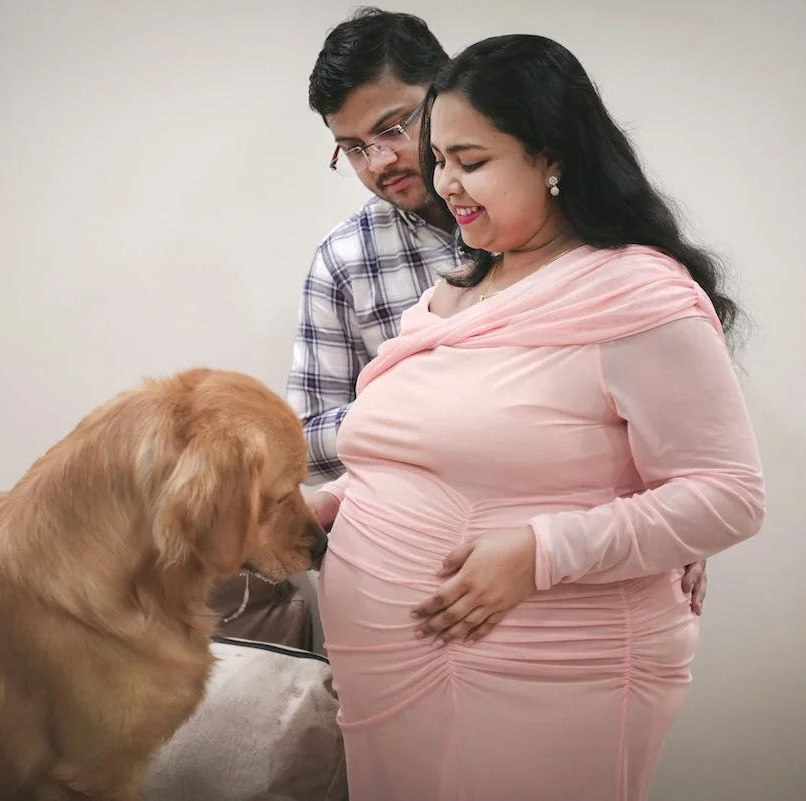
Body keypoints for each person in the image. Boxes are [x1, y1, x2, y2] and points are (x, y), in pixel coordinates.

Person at [302, 32, 767, 801]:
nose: (446, 182)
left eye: (471, 160)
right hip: (387, 671)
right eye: (442, 159)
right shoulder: (453, 290)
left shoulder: (635, 294)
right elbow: (425, 450)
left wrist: (541, 550)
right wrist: (343, 502)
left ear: (552, 157)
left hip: (542, 669)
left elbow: (728, 494)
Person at [288, 7, 710, 615]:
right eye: (352, 148)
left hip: (576, 591)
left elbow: (687, 441)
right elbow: (307, 439)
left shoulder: (591, 250)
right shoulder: (345, 260)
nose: (378, 162)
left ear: (446, 94)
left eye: (393, 128)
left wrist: (676, 515)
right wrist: (431, 420)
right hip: (409, 599)